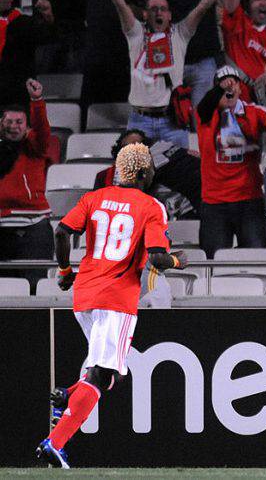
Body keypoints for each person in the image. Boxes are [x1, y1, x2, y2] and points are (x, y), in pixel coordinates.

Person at [36, 143, 188, 468]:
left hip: (84, 295)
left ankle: (68, 395)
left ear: (118, 170)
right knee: (103, 374)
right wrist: (179, 260)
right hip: (117, 298)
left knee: (116, 373)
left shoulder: (94, 198)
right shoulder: (151, 206)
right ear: (146, 173)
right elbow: (158, 256)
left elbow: (62, 232)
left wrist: (65, 271)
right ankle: (55, 442)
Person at [100, 0, 227, 148]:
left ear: (170, 15)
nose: (158, 13)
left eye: (163, 9)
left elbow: (202, 7)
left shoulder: (180, 34)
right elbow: (120, 4)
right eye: (153, 9)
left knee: (180, 174)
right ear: (144, 14)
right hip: (139, 121)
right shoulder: (135, 33)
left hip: (173, 121)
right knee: (133, 175)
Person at [196, 66, 266, 257]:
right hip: (214, 203)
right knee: (211, 264)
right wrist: (219, 89)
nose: (229, 86)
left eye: (234, 82)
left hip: (249, 201)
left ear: (241, 89)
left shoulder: (253, 112)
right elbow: (204, 105)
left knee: (257, 260)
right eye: (223, 83)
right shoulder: (206, 115)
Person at [0, 79, 53, 289]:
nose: (14, 126)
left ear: (27, 126)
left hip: (34, 226)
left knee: (35, 286)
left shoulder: (36, 146)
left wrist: (37, 100)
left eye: (19, 122)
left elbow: (42, 129)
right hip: (1, 225)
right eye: (8, 122)